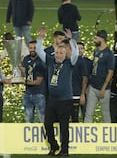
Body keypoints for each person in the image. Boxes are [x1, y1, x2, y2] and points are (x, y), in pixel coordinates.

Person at [36, 27, 78, 156]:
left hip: (65, 100)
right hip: (52, 100)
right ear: (55, 52)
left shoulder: (69, 63)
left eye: (61, 52)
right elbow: (39, 51)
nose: (59, 54)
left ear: (65, 53)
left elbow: (75, 53)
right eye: (58, 52)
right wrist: (40, 38)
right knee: (47, 124)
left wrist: (71, 40)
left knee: (64, 126)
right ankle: (53, 146)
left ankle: (65, 149)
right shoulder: (50, 61)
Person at [84, 30, 114, 123]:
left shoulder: (109, 54)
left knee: (105, 112)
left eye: (96, 38)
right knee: (88, 112)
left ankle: (108, 133)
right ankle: (86, 132)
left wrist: (103, 88)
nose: (94, 40)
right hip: (93, 86)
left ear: (102, 39)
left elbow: (110, 72)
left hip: (103, 88)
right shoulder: (96, 52)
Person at [21, 40, 47, 123]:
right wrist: (17, 63)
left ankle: (45, 135)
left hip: (39, 93)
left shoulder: (41, 61)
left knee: (42, 117)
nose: (32, 50)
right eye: (30, 48)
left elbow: (38, 81)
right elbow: (24, 73)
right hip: (28, 93)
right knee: (28, 118)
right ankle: (29, 135)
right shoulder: (26, 58)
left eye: (34, 48)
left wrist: (25, 83)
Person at [70, 41, 89, 122]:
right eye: (78, 48)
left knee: (86, 115)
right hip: (70, 94)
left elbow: (86, 77)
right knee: (74, 117)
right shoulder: (68, 60)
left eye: (81, 48)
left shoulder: (87, 62)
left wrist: (83, 93)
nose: (79, 50)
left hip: (81, 93)